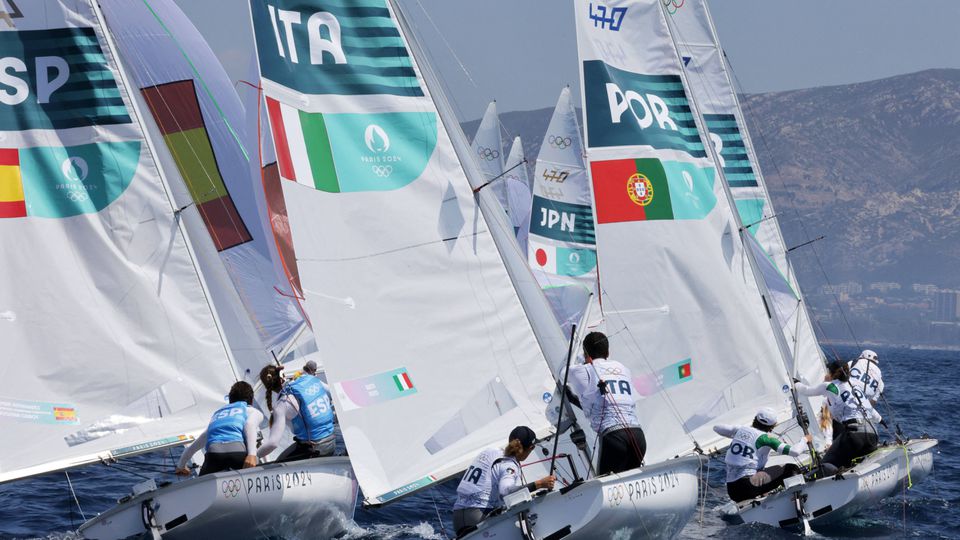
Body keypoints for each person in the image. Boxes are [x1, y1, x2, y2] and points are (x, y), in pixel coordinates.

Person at [565, 331, 646, 475]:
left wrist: (582, 359)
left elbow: (563, 372)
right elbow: (601, 399)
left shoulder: (585, 370)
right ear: (608, 352)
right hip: (638, 436)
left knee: (606, 483)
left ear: (586, 354)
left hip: (614, 437)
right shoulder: (624, 369)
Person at [451, 426, 555, 537]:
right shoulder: (509, 465)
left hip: (457, 517)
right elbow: (505, 491)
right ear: (530, 448)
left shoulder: (489, 451)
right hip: (478, 516)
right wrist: (539, 484)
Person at [797, 360, 880, 473]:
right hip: (873, 435)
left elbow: (806, 391)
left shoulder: (829, 386)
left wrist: (795, 383)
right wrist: (882, 422)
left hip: (854, 435)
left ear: (832, 373)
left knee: (824, 465)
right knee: (851, 462)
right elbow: (873, 413)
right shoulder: (855, 386)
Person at [713, 408, 808, 502]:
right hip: (750, 486)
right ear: (773, 426)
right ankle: (799, 499)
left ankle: (762, 499)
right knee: (791, 469)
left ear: (755, 419)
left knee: (759, 471)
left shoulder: (740, 429)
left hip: (733, 491)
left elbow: (716, 427)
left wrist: (738, 432)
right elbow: (795, 452)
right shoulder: (766, 438)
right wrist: (805, 440)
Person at [175, 381, 263, 476]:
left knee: (203, 480)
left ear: (230, 400)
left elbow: (196, 444)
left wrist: (181, 466)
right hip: (237, 453)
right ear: (251, 401)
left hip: (214, 456)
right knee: (257, 464)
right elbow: (249, 425)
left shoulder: (218, 415)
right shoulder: (252, 411)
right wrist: (252, 455)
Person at [258, 364, 336, 462]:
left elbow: (273, 443)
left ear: (267, 386)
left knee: (277, 465)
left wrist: (255, 456)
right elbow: (333, 394)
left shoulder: (282, 404)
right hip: (332, 442)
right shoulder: (310, 378)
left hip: (314, 450)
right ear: (283, 375)